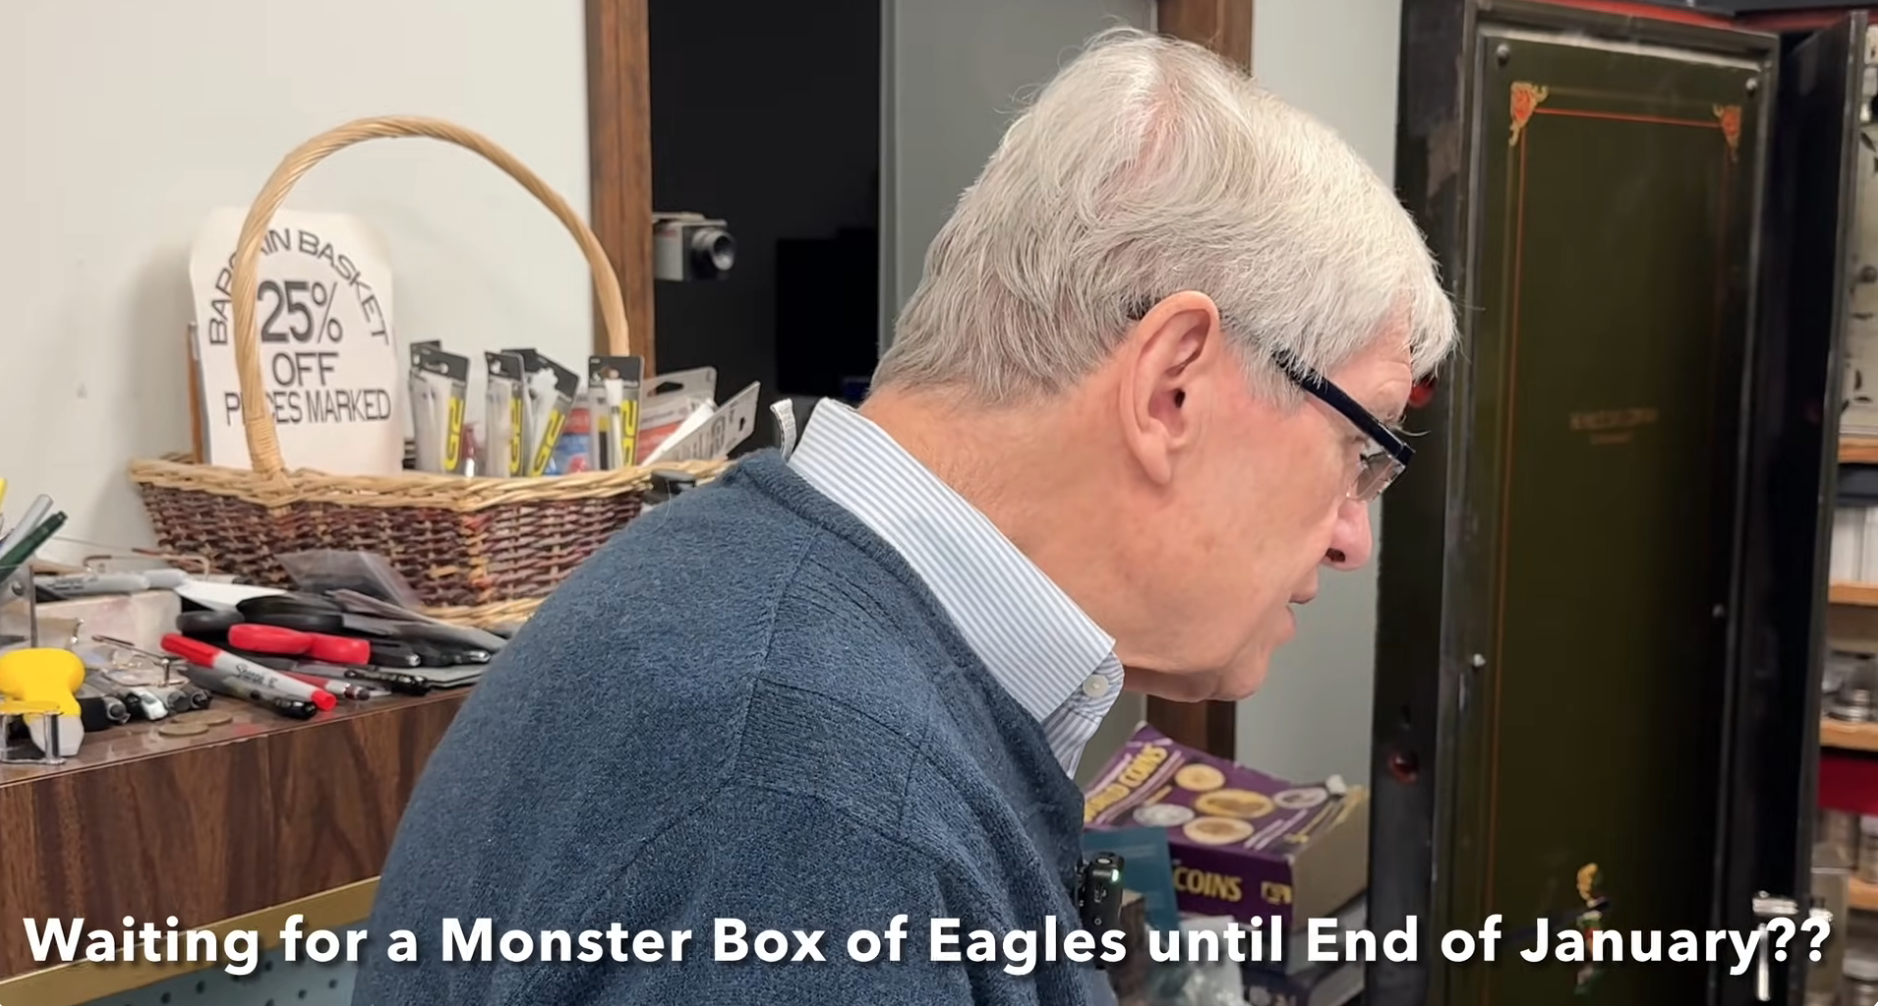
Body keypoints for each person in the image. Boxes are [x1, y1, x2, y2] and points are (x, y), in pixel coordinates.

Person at [351, 25, 1457, 1006]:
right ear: (1173, 385)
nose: (1353, 536)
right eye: (1358, 452)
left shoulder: (750, 600)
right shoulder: (803, 806)